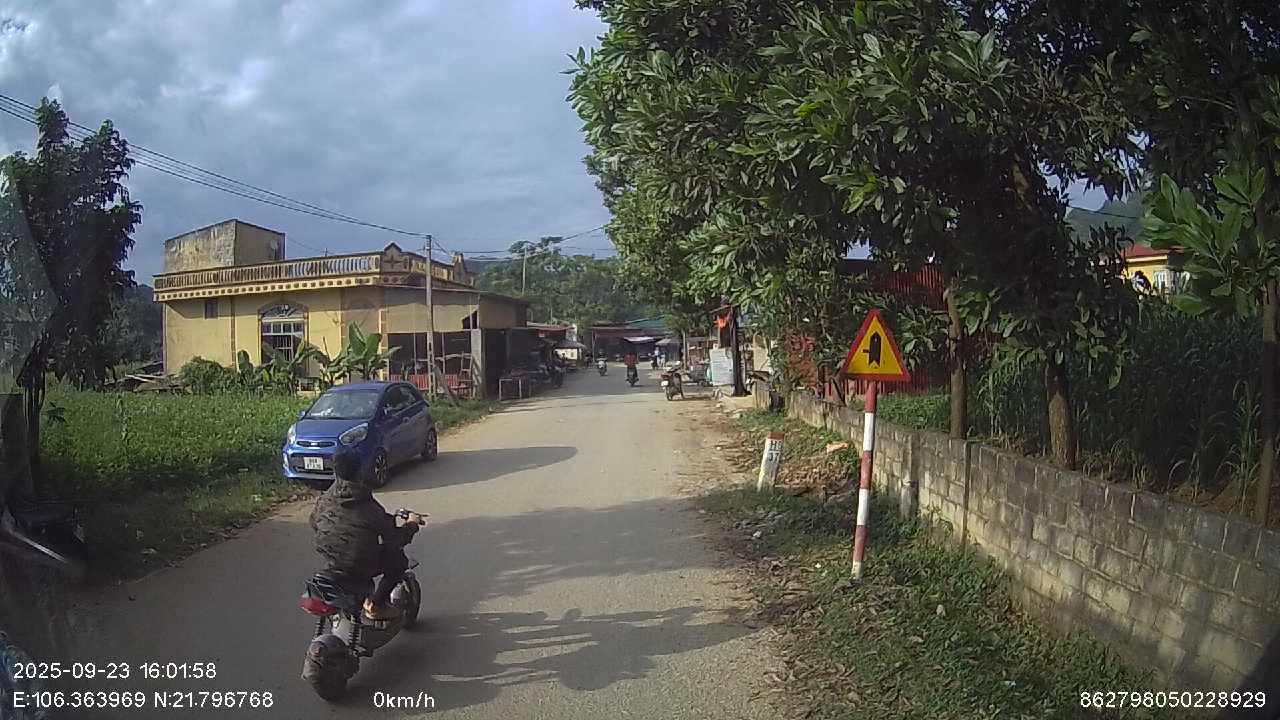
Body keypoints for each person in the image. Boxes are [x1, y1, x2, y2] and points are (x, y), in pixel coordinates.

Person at [310, 448, 421, 620]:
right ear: (360, 471)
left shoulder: (324, 500)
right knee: (398, 561)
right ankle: (375, 606)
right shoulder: (367, 505)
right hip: (360, 566)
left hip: (332, 561)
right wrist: (412, 524)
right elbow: (395, 539)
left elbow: (313, 523)